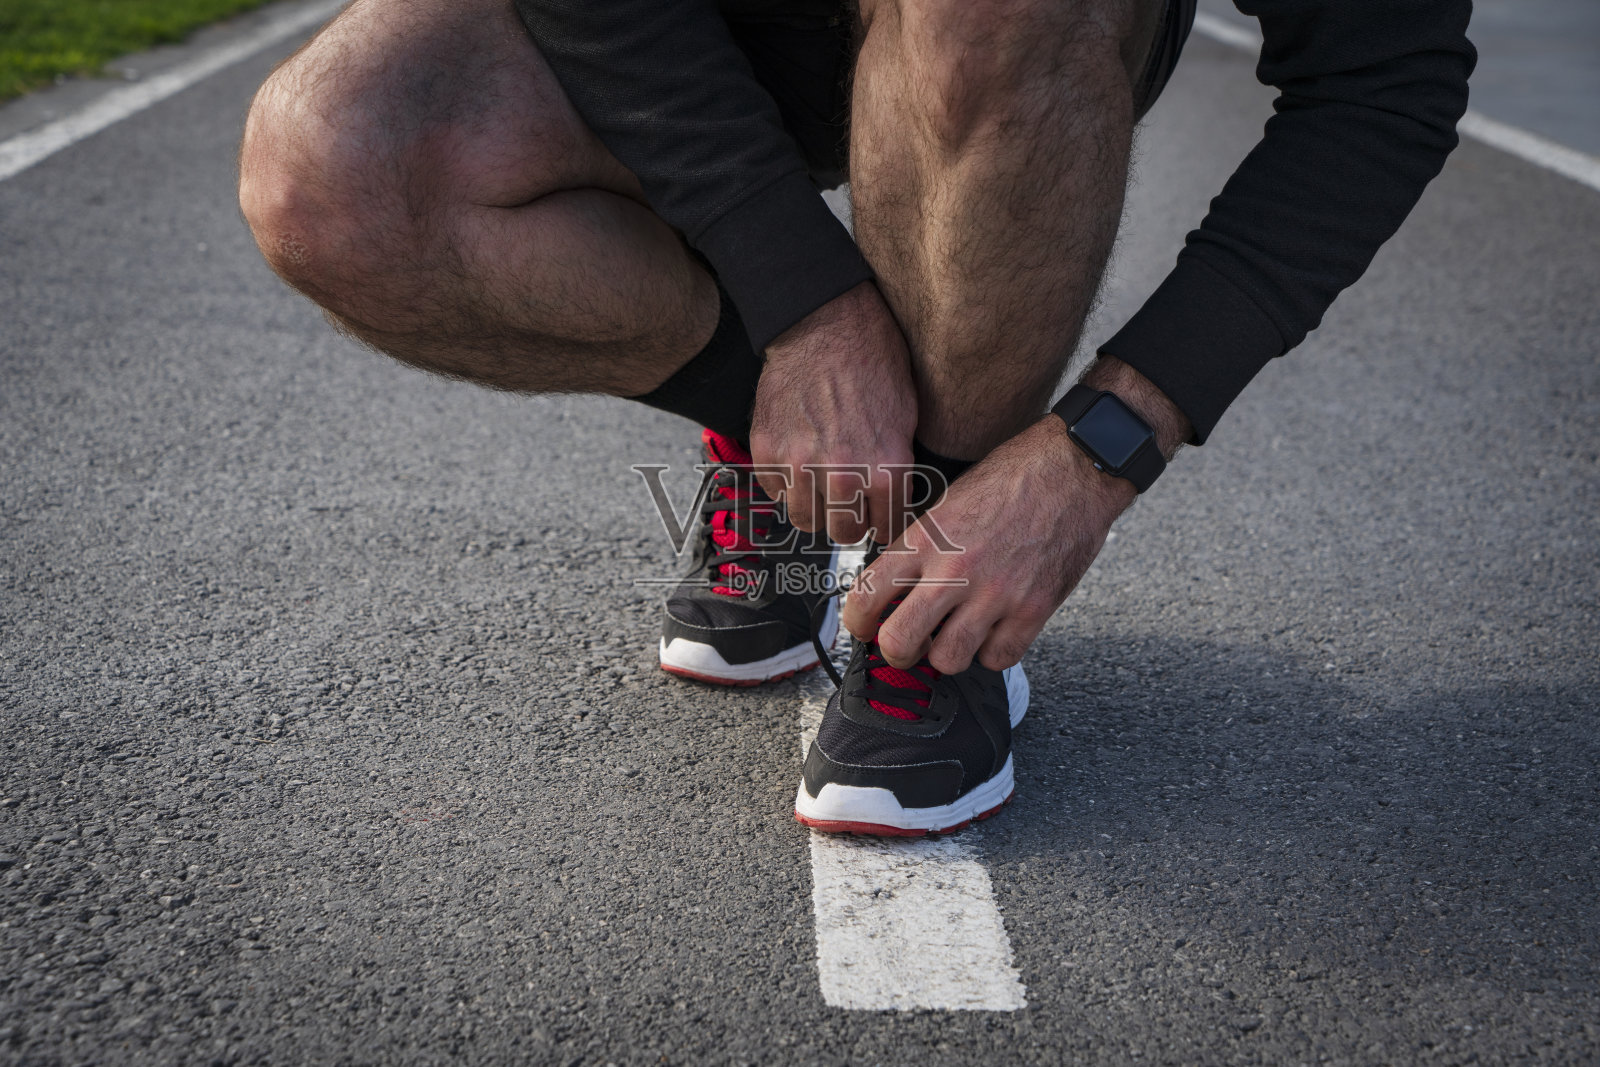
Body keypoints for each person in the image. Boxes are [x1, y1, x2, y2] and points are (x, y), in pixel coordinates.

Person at [237, 0, 1474, 836]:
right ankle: (798, 465)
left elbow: (1383, 82)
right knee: (335, 163)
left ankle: (927, 570)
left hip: (1006, 43)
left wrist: (1097, 447)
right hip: (690, 36)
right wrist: (801, 315)